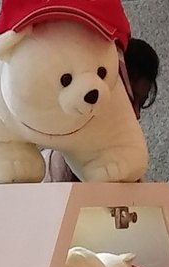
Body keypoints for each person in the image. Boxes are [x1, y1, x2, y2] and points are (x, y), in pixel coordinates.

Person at [43, 37, 159, 180]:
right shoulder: (50, 167)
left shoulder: (130, 167)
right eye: (130, 98)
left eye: (141, 103)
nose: (136, 114)